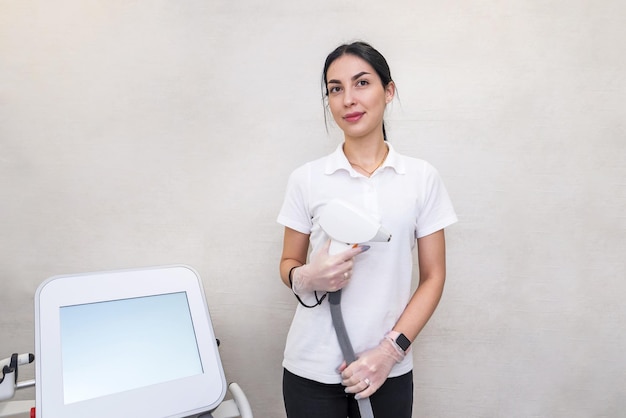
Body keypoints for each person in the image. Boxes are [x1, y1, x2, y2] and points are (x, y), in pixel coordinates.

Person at [277, 41, 458, 418]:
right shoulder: (306, 179)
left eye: (362, 83)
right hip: (309, 371)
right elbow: (288, 262)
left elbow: (434, 276)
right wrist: (306, 276)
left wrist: (390, 351)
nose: (348, 100)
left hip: (386, 371)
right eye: (335, 89)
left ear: (388, 91)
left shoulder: (421, 178)